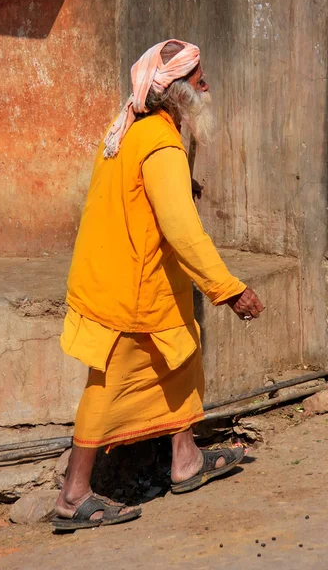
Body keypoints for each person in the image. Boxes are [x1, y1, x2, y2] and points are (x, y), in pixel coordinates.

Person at [53, 39, 264, 532]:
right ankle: (73, 494)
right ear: (175, 93)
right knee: (107, 387)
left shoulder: (135, 127)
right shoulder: (163, 144)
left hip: (131, 277)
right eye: (198, 80)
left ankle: (185, 459)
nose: (206, 85)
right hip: (125, 288)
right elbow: (183, 231)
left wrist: (179, 186)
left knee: (181, 359)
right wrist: (229, 289)